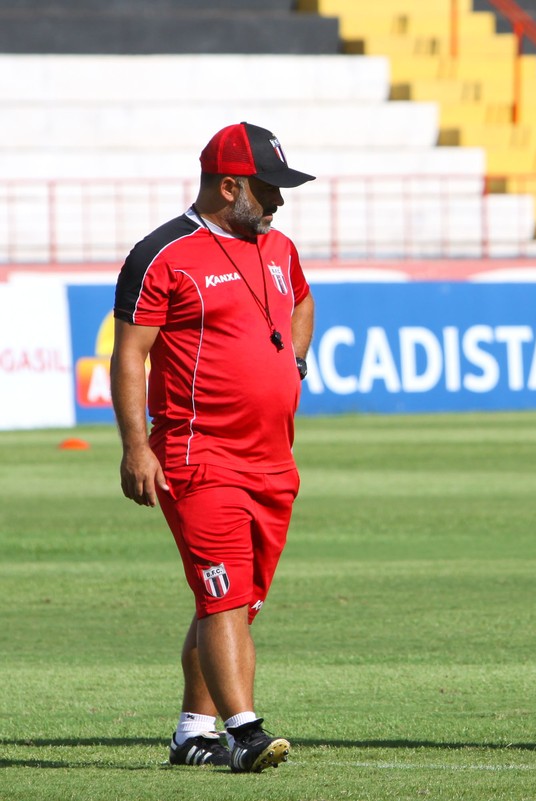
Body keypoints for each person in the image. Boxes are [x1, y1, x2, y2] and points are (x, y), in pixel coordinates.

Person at [110, 122, 315, 773]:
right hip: (200, 459)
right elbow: (129, 355)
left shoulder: (278, 246)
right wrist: (136, 447)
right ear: (229, 185)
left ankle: (192, 731)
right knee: (223, 595)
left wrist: (297, 357)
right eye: (268, 188)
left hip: (274, 460)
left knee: (231, 601)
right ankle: (246, 730)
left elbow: (303, 302)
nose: (279, 202)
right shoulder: (163, 254)